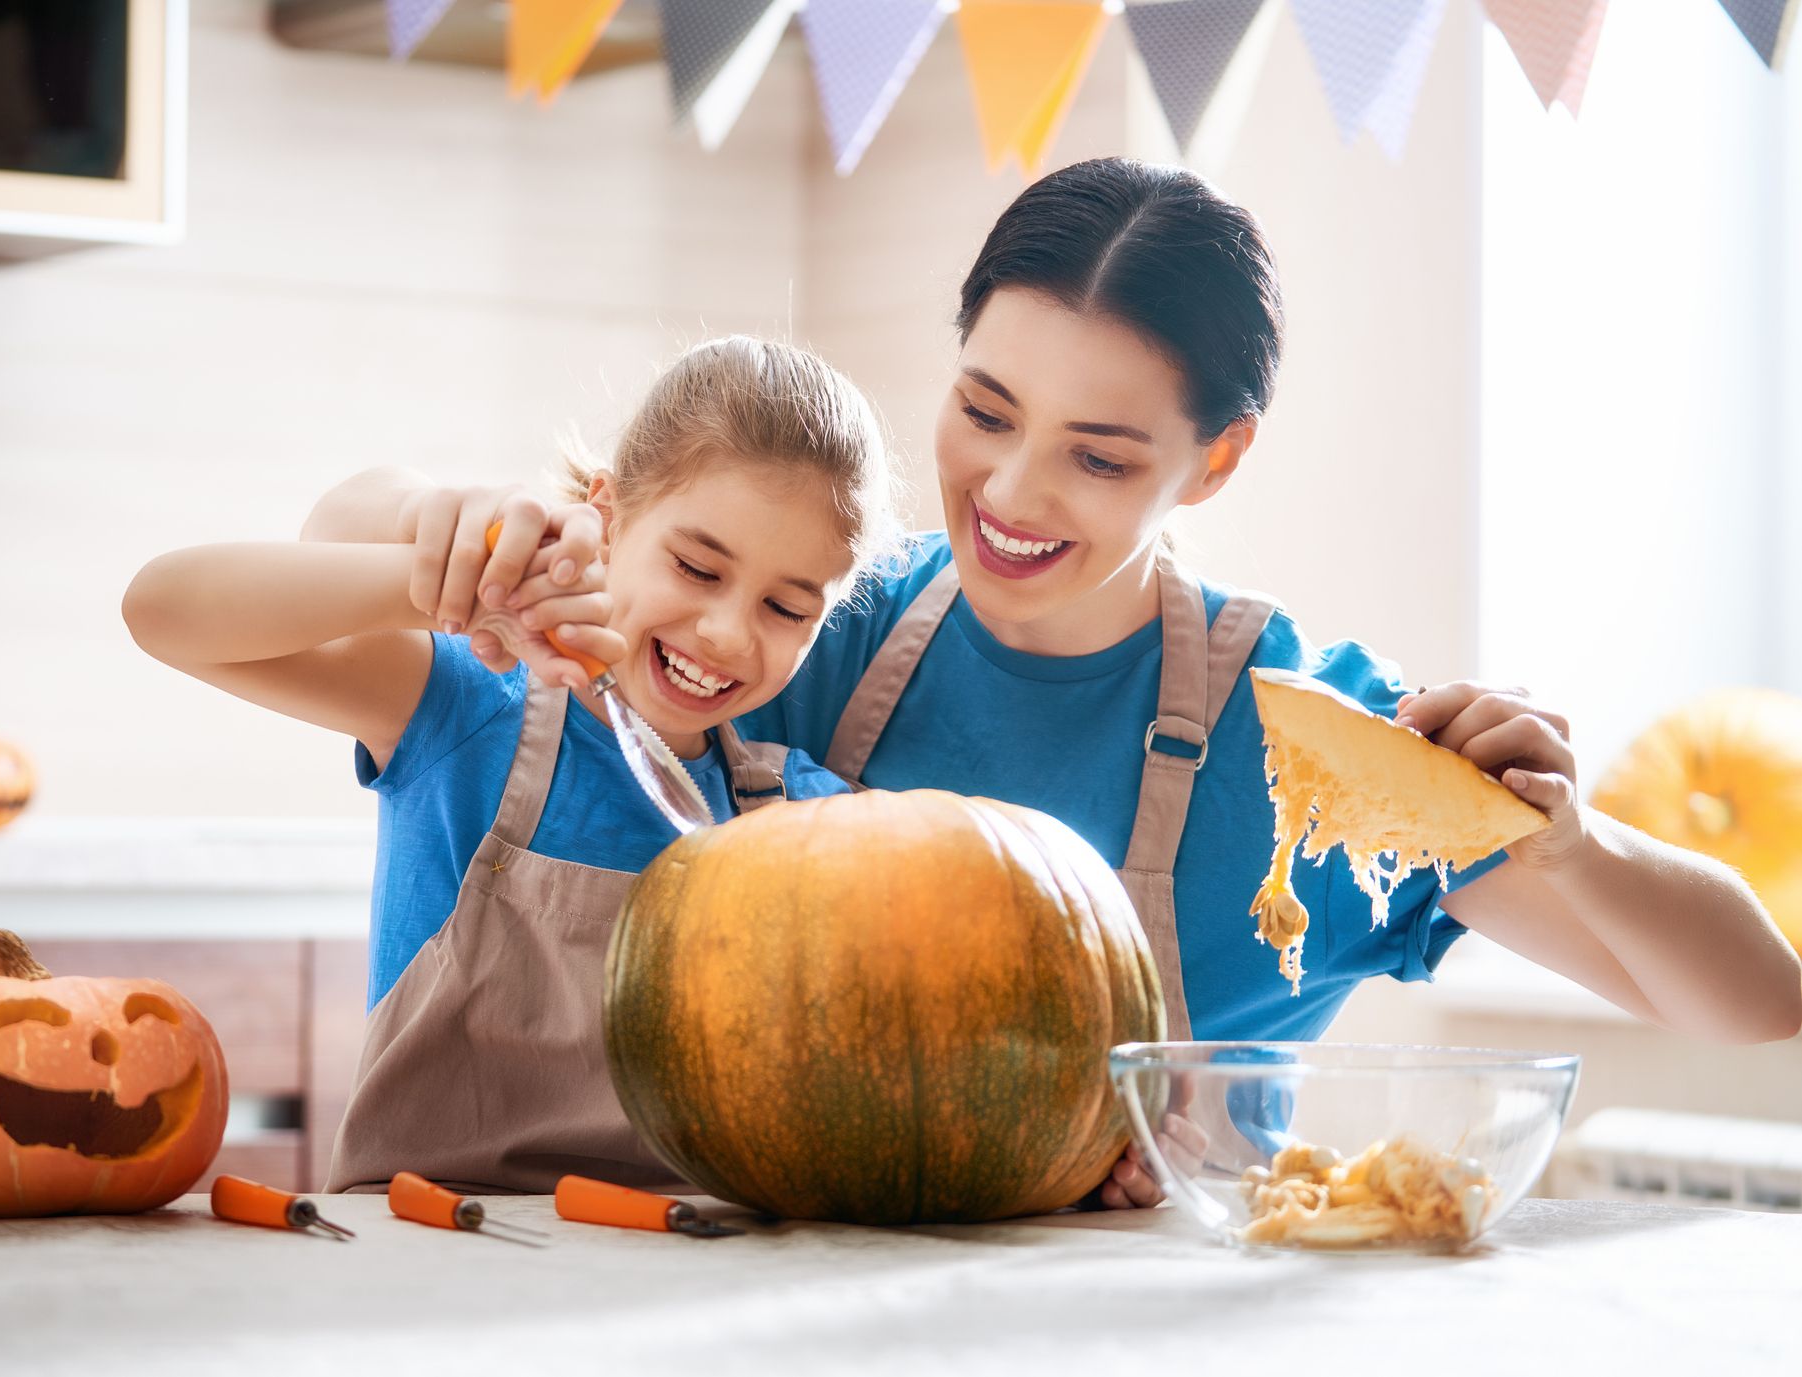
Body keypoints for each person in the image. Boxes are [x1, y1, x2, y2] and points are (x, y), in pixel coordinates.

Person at [370, 160, 1800, 1212]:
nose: (1009, 488)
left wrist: (1572, 842)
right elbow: (391, 588)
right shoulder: (815, 630)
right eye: (984, 409)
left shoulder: (1303, 740)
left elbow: (1753, 1001)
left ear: (1217, 460)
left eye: (1099, 456)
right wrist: (456, 513)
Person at [125, 336, 901, 1193]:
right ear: (606, 517)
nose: (725, 631)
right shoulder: (474, 707)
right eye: (696, 566)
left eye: (786, 607)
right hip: (434, 1257)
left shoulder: (810, 821)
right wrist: (456, 590)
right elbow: (160, 607)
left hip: (686, 1269)